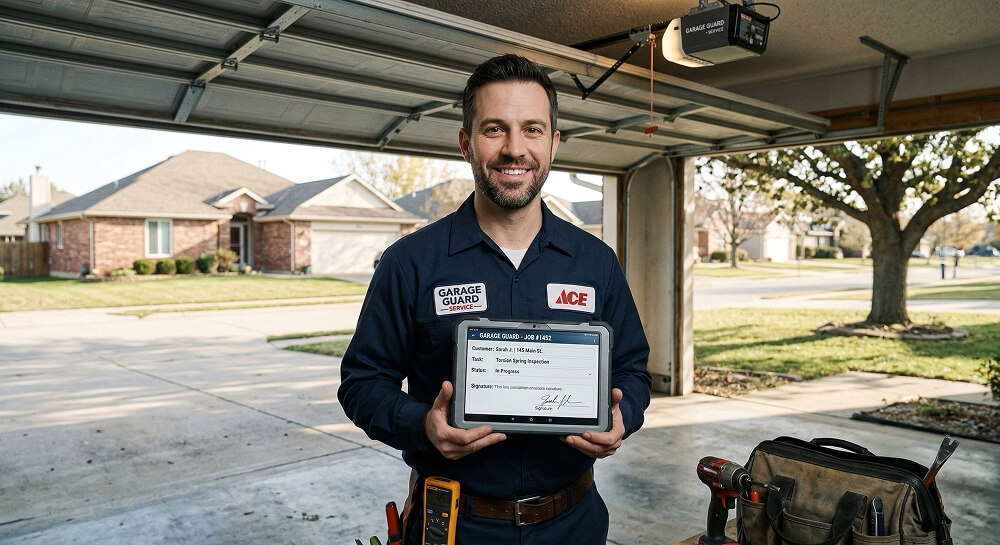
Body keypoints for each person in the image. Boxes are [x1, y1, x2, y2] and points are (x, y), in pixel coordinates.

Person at [338, 54, 651, 544]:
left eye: (531, 129)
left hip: (574, 525)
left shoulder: (596, 263)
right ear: (466, 143)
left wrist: (622, 416)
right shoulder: (410, 263)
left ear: (553, 142)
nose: (514, 149)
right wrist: (422, 425)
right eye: (493, 129)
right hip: (456, 527)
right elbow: (361, 382)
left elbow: (632, 369)